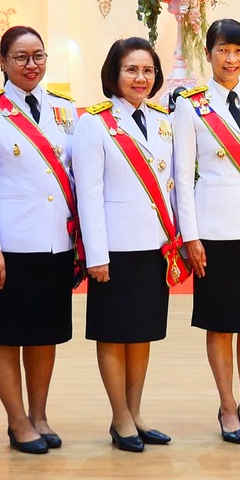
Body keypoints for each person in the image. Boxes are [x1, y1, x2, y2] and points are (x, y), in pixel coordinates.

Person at [0, 25, 78, 455]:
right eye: (21, 57)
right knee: (8, 334)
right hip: (8, 247)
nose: (31, 65)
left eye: (38, 56)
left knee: (45, 334)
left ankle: (40, 414)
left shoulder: (65, 111)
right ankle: (16, 419)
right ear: (2, 63)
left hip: (53, 241)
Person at [172, 19, 240, 445]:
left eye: (238, 50)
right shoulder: (190, 106)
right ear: (209, 54)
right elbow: (181, 175)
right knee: (219, 324)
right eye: (222, 50)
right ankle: (227, 405)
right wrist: (190, 236)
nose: (231, 59)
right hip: (212, 230)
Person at [73, 39, 182, 452]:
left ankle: (136, 413)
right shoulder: (95, 123)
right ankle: (119, 417)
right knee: (114, 333)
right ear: (113, 75)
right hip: (114, 249)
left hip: (153, 245)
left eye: (148, 70)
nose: (141, 78)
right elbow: (89, 192)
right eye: (131, 70)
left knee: (142, 333)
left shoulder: (162, 121)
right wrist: (96, 255)